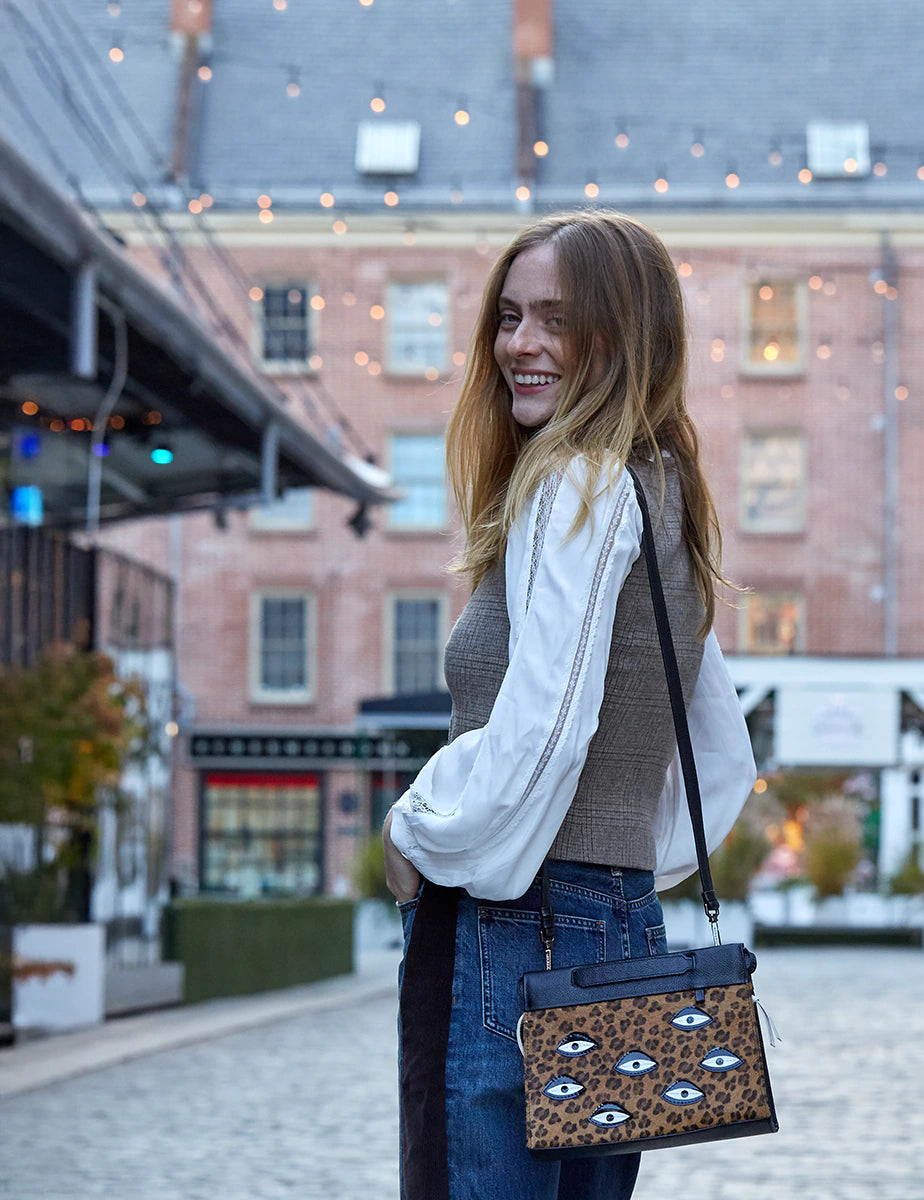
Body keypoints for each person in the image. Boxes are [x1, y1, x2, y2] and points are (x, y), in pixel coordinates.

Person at [382, 209, 756, 1200]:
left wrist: (418, 826)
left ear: (624, 334)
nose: (521, 344)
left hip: (517, 923)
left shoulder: (575, 484)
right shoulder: (664, 493)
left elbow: (547, 728)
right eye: (509, 317)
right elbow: (722, 756)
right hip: (622, 927)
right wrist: (619, 869)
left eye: (556, 318)